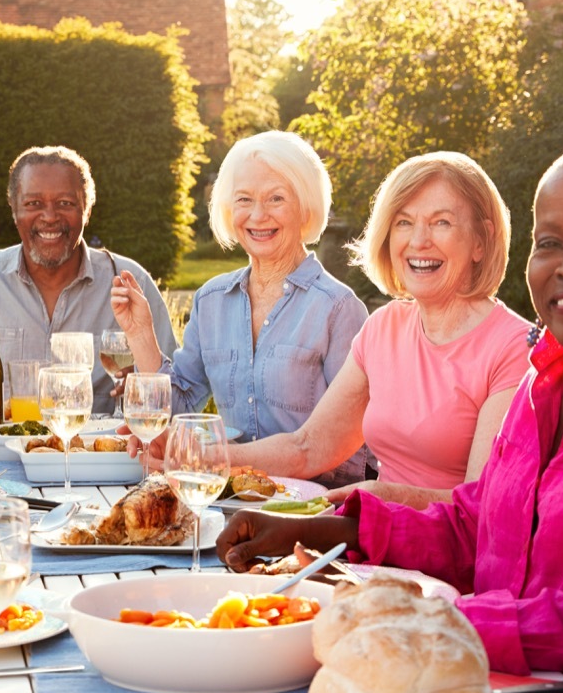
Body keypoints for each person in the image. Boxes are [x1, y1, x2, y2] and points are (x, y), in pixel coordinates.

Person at [216, 143, 563, 693]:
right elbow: (477, 524)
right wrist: (329, 530)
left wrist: (430, 618)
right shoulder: (545, 381)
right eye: (551, 243)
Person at [190, 151, 529, 506]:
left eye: (441, 222)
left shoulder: (513, 347)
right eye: (403, 222)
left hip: (446, 556)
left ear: (481, 239)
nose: (418, 240)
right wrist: (192, 456)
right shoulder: (384, 327)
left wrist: (382, 497)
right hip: (374, 544)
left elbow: (484, 506)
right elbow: (308, 448)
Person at [111, 131, 368, 486]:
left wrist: (212, 458)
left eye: (276, 198)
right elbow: (181, 407)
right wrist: (140, 333)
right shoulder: (211, 300)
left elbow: (348, 454)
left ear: (305, 206)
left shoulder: (339, 309)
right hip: (223, 497)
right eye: (244, 199)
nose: (258, 215)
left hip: (308, 508)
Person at [0, 145, 178, 416]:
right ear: (13, 209)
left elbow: (176, 395)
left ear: (87, 210)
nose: (49, 217)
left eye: (65, 204)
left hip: (94, 455)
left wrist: (144, 389)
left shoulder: (129, 282)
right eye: (33, 204)